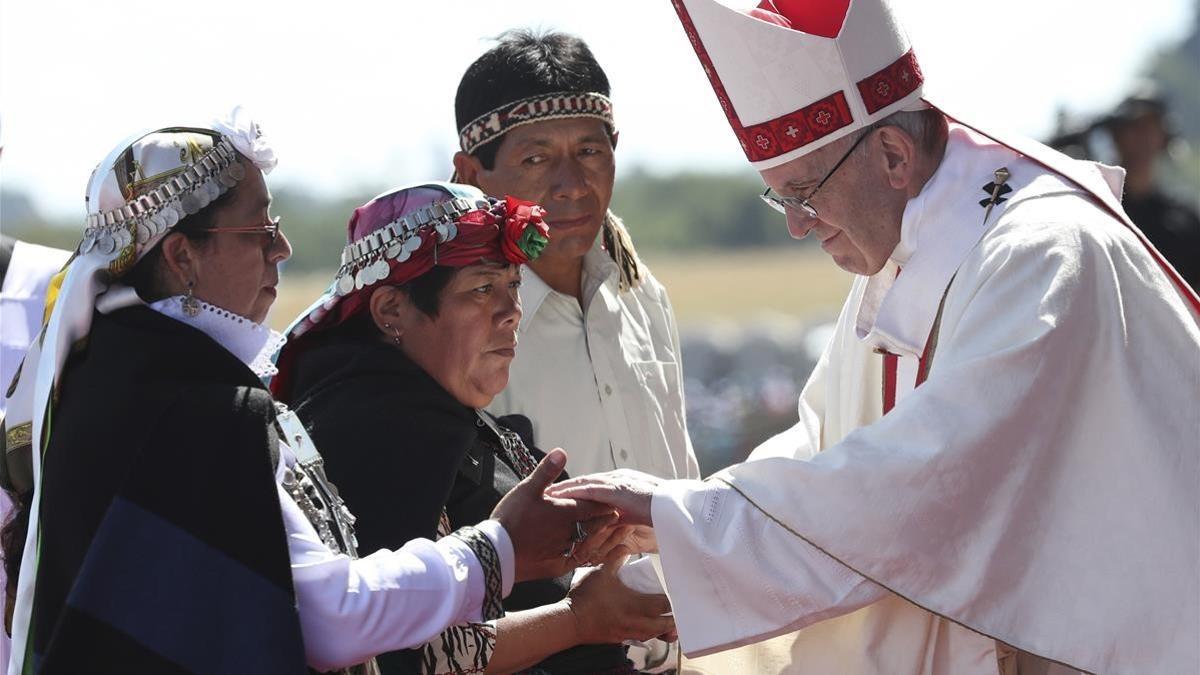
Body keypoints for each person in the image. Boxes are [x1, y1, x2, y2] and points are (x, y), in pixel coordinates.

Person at [547, 1, 1200, 674]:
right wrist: (669, 547)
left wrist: (689, 520)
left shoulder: (1040, 254)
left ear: (891, 153)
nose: (797, 225)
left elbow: (923, 485)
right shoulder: (897, 252)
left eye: (803, 193)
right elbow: (827, 446)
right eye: (782, 199)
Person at [0, 111, 610, 674]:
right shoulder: (193, 410)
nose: (282, 249)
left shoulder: (124, 374)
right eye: (259, 229)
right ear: (183, 254)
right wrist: (501, 550)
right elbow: (328, 617)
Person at [272, 182, 675, 674]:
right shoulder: (375, 431)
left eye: (513, 286)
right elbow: (400, 655)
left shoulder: (435, 405)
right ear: (391, 310)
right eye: (483, 289)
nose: (511, 313)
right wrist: (580, 619)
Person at [452, 30, 700, 488]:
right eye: (535, 159)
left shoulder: (643, 299)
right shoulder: (453, 328)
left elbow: (681, 484)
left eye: (589, 152)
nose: (572, 184)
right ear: (471, 175)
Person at [1101, 86, 1200, 288]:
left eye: (1150, 128)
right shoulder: (1099, 211)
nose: (1142, 138)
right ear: (1116, 136)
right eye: (1134, 127)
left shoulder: (1184, 220)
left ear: (1164, 138)